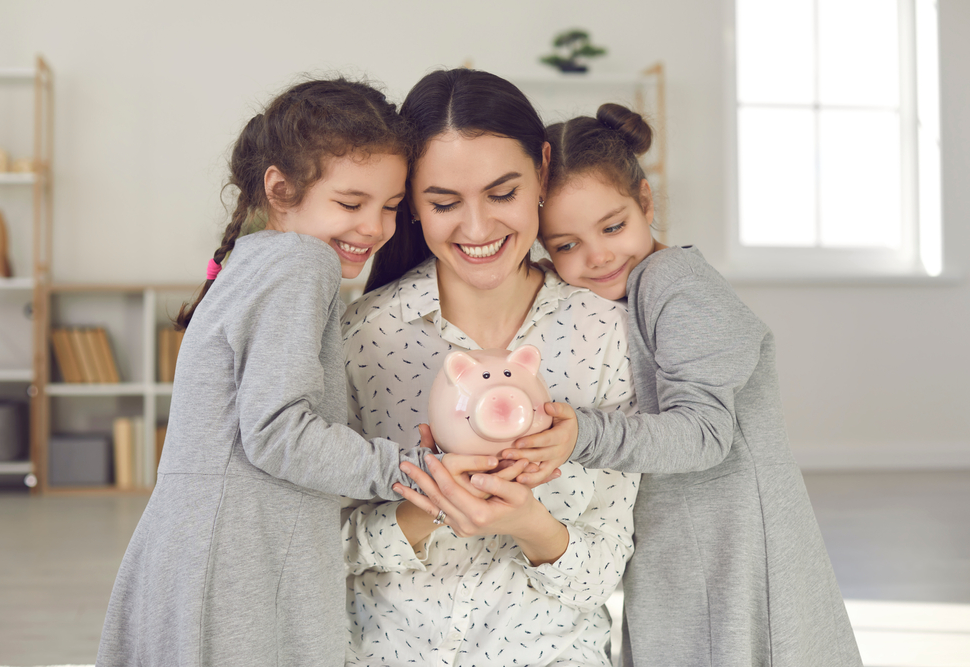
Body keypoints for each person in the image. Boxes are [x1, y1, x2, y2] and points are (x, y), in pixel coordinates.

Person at [95, 78, 499, 667]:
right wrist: (416, 472)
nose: (375, 227)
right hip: (238, 565)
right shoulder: (300, 263)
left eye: (390, 207)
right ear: (280, 189)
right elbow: (279, 432)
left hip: (205, 552)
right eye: (350, 203)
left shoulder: (257, 260)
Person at [508, 102, 863, 666]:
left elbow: (703, 434)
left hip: (733, 539)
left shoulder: (676, 284)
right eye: (566, 244)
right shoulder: (626, 288)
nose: (597, 256)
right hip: (684, 532)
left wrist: (583, 436)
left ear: (645, 203)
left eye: (613, 226)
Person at [340, 69, 640, 667]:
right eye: (444, 202)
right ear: (411, 202)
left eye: (502, 194)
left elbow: (605, 571)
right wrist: (423, 506)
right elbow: (314, 547)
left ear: (542, 171)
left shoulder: (608, 334)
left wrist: (531, 524)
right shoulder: (362, 338)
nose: (477, 229)